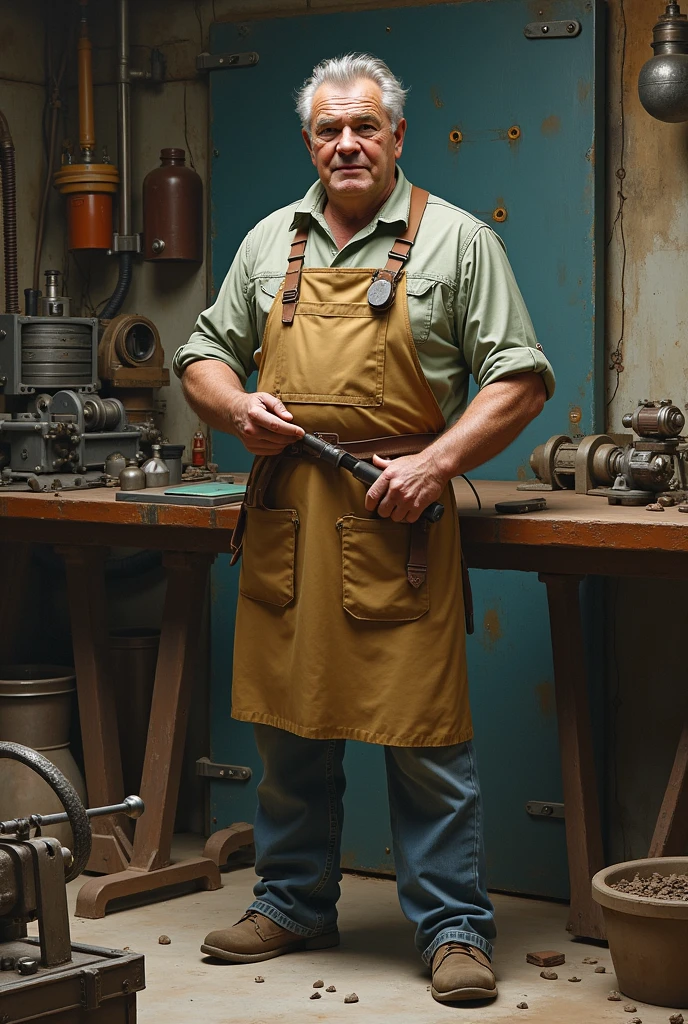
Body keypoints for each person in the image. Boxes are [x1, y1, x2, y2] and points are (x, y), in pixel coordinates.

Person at [174, 53, 555, 1005]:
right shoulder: (270, 242)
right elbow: (201, 353)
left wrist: (436, 465)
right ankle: (294, 902)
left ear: (397, 137)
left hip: (401, 519)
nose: (347, 143)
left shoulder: (458, 244)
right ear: (311, 142)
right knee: (287, 732)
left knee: (424, 741)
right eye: (328, 130)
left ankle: (454, 926)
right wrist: (232, 409)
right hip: (286, 516)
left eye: (365, 127)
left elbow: (519, 374)